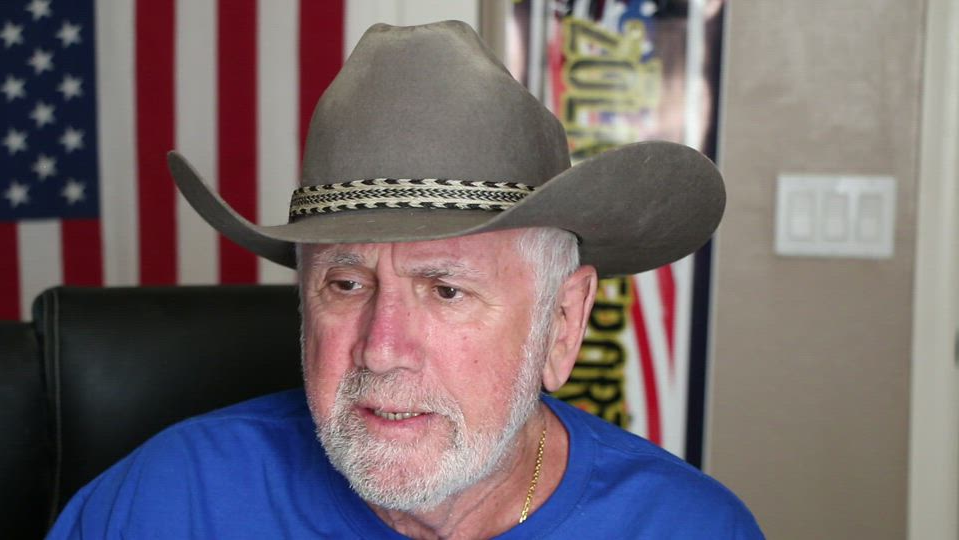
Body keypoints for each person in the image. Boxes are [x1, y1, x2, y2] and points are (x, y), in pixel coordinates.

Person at [48, 21, 763, 539]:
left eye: (446, 290)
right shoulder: (167, 503)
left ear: (562, 324)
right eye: (346, 284)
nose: (381, 349)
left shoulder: (686, 527)